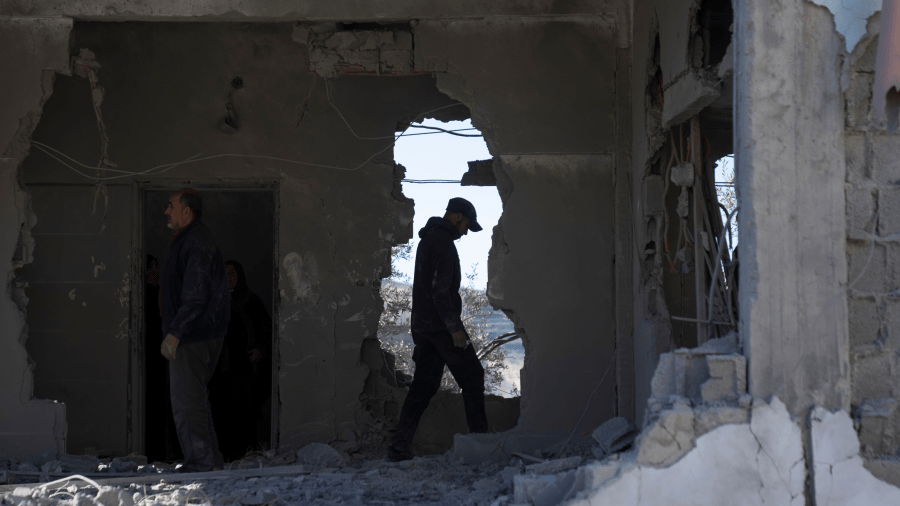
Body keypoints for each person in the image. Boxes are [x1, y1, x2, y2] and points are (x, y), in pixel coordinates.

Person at [387, 197, 489, 462]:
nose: (465, 232)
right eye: (466, 225)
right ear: (456, 217)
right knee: (473, 376)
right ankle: (482, 446)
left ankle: (399, 448)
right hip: (442, 327)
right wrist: (455, 329)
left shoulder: (427, 240)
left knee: (423, 387)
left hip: (424, 327)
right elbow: (440, 291)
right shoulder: (442, 242)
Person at [159, 188, 231, 472]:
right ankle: (209, 460)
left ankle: (200, 463)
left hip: (192, 334)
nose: (167, 211)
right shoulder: (190, 240)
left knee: (186, 401)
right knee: (194, 399)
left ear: (186, 212)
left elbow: (195, 294)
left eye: (170, 206)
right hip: (198, 332)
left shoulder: (196, 241)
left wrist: (175, 332)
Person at [209, 260, 272, 461]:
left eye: (232, 273)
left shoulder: (252, 301)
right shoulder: (214, 302)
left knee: (245, 414)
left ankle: (246, 455)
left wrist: (260, 351)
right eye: (225, 273)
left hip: (245, 370)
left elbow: (266, 332)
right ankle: (224, 456)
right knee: (221, 412)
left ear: (240, 275)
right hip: (221, 371)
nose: (229, 277)